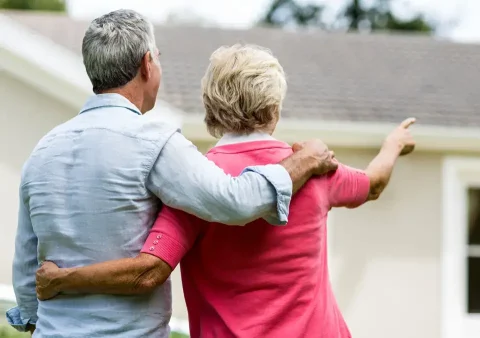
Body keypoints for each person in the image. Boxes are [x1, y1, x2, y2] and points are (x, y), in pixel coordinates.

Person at [35, 44, 416, 338]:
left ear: (211, 105)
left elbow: (147, 272)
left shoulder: (195, 182)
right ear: (275, 105)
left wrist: (62, 279)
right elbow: (375, 183)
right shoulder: (316, 168)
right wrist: (394, 143)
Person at [9, 11, 337, 338]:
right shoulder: (155, 142)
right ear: (147, 64)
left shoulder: (42, 151)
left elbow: (27, 273)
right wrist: (303, 162)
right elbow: (236, 201)